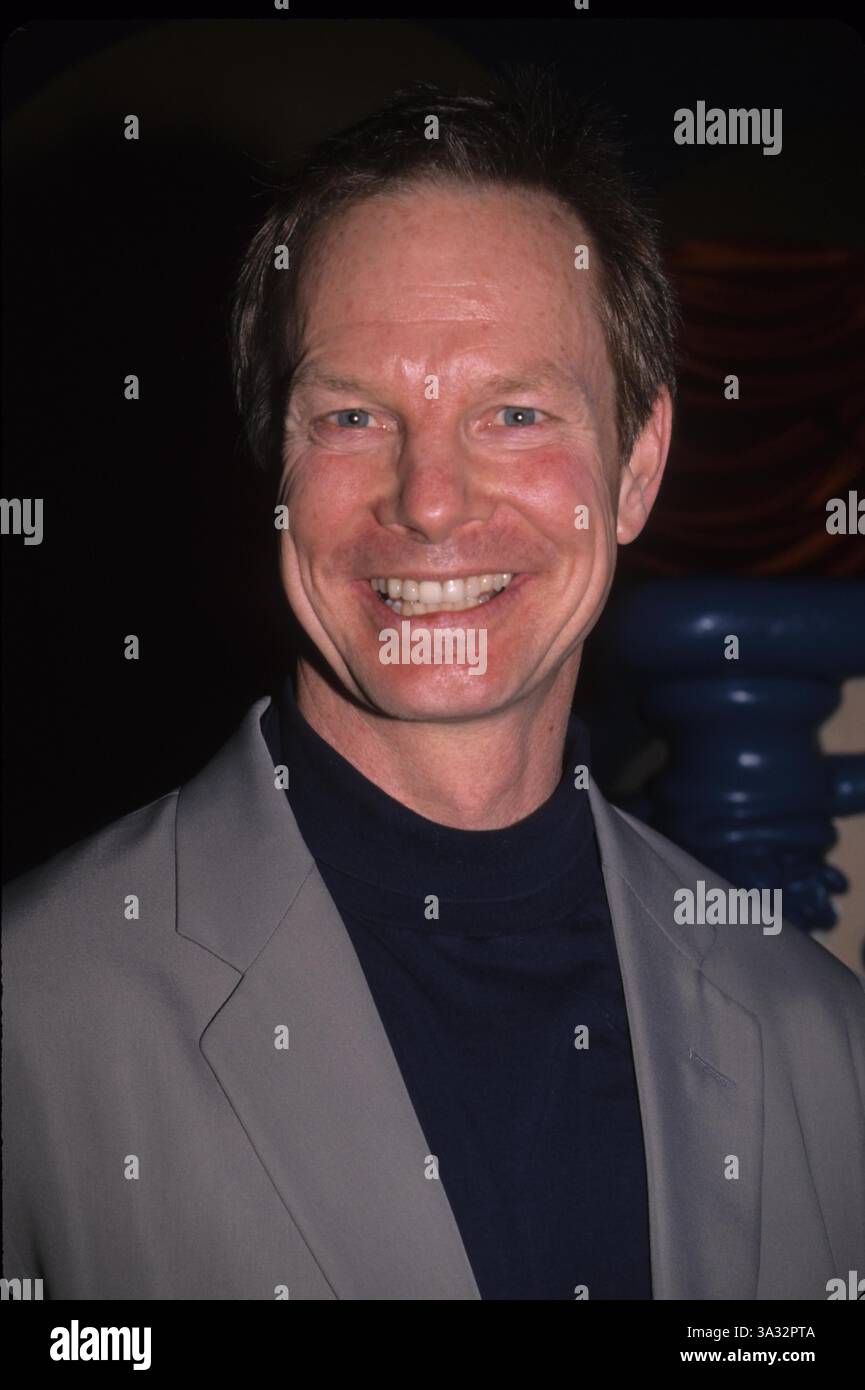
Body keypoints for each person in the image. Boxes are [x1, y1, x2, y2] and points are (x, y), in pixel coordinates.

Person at [4, 70, 863, 1301]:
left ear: (635, 469)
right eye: (351, 416)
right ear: (274, 471)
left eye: (514, 412)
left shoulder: (821, 1039)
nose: (430, 501)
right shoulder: (35, 1019)